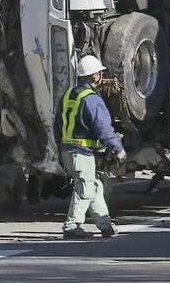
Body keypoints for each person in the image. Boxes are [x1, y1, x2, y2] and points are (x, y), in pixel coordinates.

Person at [54, 55, 126, 239]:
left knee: (94, 187)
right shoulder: (91, 99)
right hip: (82, 152)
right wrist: (118, 149)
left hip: (68, 151)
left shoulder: (69, 94)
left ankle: (105, 225)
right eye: (100, 73)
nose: (101, 76)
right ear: (94, 76)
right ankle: (71, 226)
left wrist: (59, 148)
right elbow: (103, 128)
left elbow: (57, 125)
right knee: (85, 188)